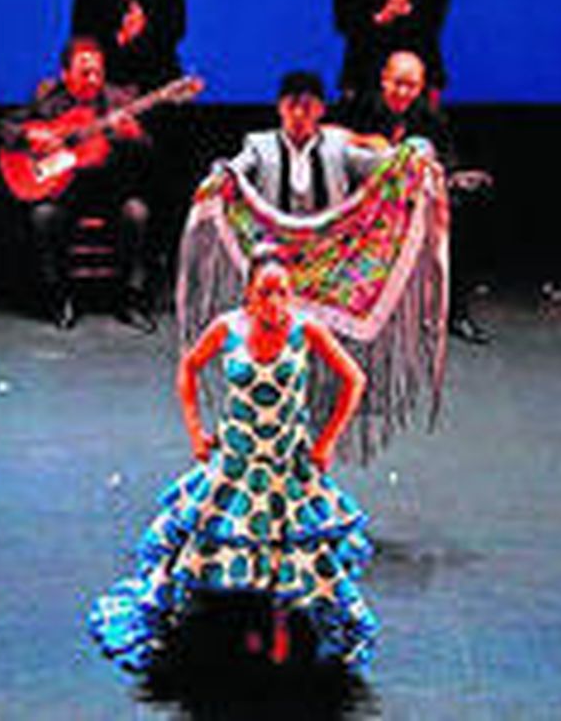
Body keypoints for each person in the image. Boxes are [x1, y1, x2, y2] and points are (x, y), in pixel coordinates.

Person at [89, 258, 377, 672]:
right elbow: (188, 368)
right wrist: (195, 432)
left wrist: (328, 440)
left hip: (285, 461)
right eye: (266, 292)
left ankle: (279, 622)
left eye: (283, 292)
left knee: (285, 543)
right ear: (248, 295)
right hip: (237, 461)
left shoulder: (305, 329)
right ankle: (244, 617)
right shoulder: (227, 329)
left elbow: (354, 379)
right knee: (231, 538)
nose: (276, 302)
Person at [0, 37, 157, 332]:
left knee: (137, 213)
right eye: (85, 72)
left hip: (109, 192)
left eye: (98, 72)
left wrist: (135, 137)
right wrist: (28, 137)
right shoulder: (48, 101)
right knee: (43, 217)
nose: (94, 79)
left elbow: (149, 152)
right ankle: (59, 298)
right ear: (65, 74)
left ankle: (130, 300)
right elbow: (2, 128)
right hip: (65, 194)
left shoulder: (119, 101)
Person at [341, 50, 492, 345]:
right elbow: (330, 138)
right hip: (365, 197)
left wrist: (453, 179)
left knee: (457, 221)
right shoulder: (359, 107)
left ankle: (455, 314)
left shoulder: (428, 115)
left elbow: (446, 163)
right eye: (397, 83)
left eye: (411, 86)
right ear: (384, 80)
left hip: (412, 203)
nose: (403, 92)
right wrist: (368, 142)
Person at [225, 71, 385, 215]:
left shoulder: (337, 145)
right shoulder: (260, 145)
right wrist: (220, 176)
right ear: (280, 107)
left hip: (328, 241)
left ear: (321, 110)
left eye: (307, 106)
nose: (298, 114)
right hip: (272, 240)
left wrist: (404, 153)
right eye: (291, 105)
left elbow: (384, 165)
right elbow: (232, 171)